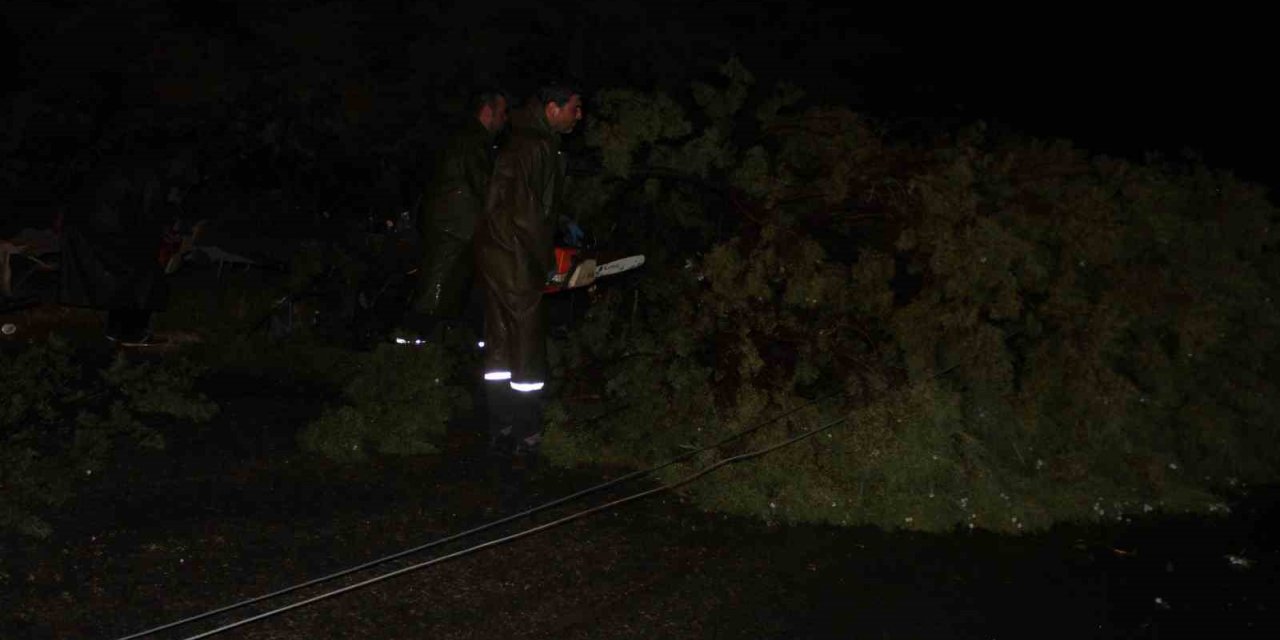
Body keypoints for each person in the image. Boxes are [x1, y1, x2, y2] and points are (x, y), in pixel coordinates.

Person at [473, 81, 583, 499]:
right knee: (526, 347)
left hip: (494, 254)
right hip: (517, 257)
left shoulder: (517, 142)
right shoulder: (539, 147)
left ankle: (499, 429)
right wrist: (547, 266)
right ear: (552, 108)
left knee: (499, 346)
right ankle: (528, 436)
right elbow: (531, 217)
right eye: (574, 107)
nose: (579, 115)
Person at [408, 87, 509, 339]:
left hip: (454, 225)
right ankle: (412, 346)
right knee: (436, 290)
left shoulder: (467, 137)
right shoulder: (472, 140)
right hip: (453, 228)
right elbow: (485, 185)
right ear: (487, 111)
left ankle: (430, 346)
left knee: (446, 290)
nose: (505, 119)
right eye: (502, 112)